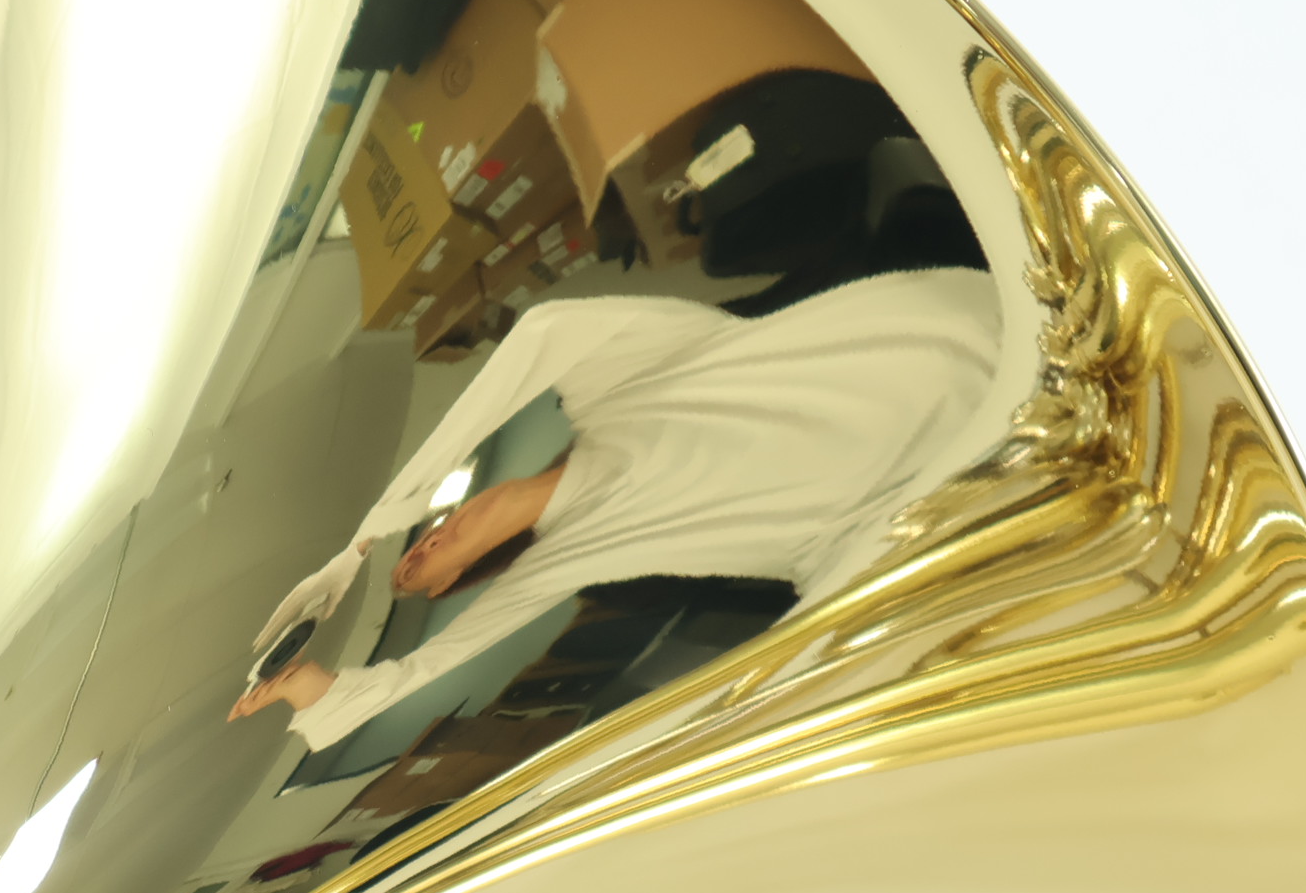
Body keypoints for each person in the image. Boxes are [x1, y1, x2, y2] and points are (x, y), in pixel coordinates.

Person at [231, 268, 1002, 751]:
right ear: (453, 583)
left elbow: (544, 332)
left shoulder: (610, 395)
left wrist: (367, 540)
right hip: (932, 485)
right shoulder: (565, 560)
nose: (424, 548)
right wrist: (309, 688)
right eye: (419, 573)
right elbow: (419, 670)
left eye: (419, 541)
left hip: (946, 352)